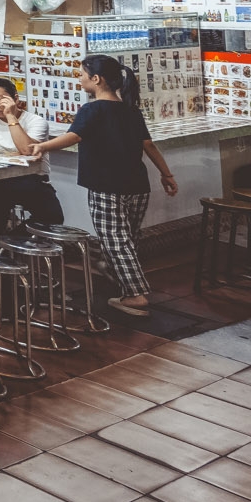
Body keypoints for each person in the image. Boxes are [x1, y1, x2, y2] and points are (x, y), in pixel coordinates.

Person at [31, 54, 178, 318]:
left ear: (96, 79)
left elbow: (73, 137)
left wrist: (42, 146)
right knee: (127, 239)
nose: (79, 78)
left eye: (82, 74)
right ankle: (114, 273)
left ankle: (135, 295)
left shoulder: (92, 109)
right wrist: (166, 174)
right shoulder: (130, 109)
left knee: (116, 241)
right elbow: (149, 145)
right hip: (137, 184)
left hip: (106, 185)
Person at [0, 78, 64, 249]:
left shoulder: (35, 121)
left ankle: (10, 244)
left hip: (31, 180)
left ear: (15, 98)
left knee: (53, 217)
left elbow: (26, 150)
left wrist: (11, 116)